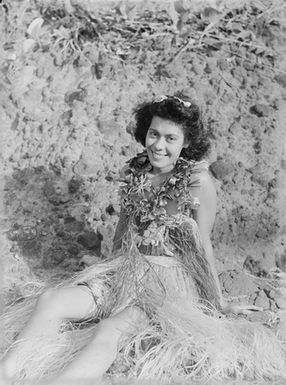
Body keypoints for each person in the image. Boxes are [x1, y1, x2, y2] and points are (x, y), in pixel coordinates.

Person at [1, 94, 286, 385]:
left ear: (186, 143)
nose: (159, 146)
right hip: (126, 271)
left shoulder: (197, 182)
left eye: (170, 138)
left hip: (165, 287)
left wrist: (219, 303)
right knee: (52, 300)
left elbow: (203, 245)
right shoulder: (136, 172)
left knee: (108, 330)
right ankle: (7, 373)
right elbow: (123, 230)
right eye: (154, 134)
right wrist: (108, 274)